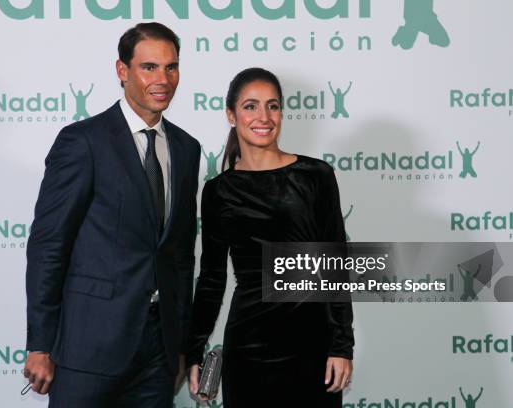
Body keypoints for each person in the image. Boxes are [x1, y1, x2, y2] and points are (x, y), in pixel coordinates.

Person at [23, 22, 201, 407]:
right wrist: (40, 343)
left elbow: (181, 256)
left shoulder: (187, 149)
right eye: (149, 67)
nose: (163, 79)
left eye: (171, 67)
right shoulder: (83, 142)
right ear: (122, 71)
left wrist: (182, 343)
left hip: (158, 351)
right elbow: (48, 246)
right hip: (88, 347)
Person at [187, 68, 354, 407]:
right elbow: (212, 279)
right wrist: (194, 350)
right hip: (249, 349)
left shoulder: (316, 176)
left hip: (313, 348)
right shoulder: (219, 191)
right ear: (231, 115)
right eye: (251, 106)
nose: (263, 117)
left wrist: (341, 346)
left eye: (273, 106)